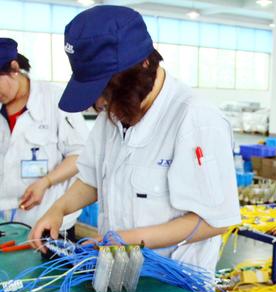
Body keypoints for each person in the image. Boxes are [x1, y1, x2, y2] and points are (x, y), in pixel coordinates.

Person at [30, 6, 241, 273]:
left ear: (142, 66)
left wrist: (127, 241)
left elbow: (216, 220)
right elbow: (93, 179)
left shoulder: (196, 119)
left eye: (107, 90)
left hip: (174, 290)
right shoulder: (115, 113)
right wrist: (58, 209)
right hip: (119, 275)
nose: (101, 103)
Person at [0, 38, 87, 234]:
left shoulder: (56, 100)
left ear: (14, 69)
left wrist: (45, 182)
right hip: (6, 226)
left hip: (50, 227)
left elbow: (80, 154)